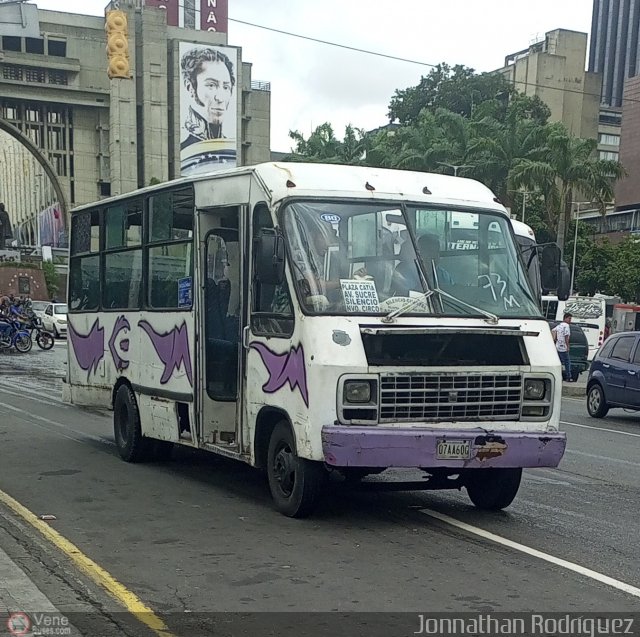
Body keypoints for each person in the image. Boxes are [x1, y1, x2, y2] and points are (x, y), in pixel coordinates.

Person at [180, 47, 236, 150]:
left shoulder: (231, 150)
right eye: (211, 85)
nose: (220, 98)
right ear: (190, 87)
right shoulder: (182, 147)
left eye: (226, 87)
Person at [552, 312, 573, 382]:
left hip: (557, 346)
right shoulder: (566, 326)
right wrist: (567, 346)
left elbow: (553, 331)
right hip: (563, 347)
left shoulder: (559, 326)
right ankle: (568, 377)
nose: (570, 320)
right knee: (567, 362)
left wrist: (555, 339)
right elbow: (566, 336)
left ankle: (557, 376)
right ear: (565, 318)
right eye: (569, 318)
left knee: (559, 362)